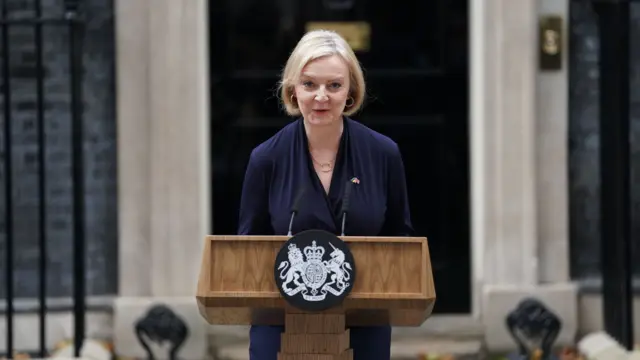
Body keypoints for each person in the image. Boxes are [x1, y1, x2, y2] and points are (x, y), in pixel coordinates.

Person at [237, 29, 414, 360]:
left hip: (363, 316)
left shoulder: (383, 154)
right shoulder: (266, 158)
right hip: (280, 318)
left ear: (351, 91)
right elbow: (249, 247)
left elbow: (399, 239)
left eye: (334, 85)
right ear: (293, 90)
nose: (322, 96)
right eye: (310, 85)